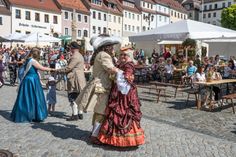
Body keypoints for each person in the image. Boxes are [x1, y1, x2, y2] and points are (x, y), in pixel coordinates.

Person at [98, 46, 145, 147]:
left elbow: (127, 76)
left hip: (126, 93)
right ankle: (111, 138)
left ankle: (126, 140)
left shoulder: (129, 65)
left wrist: (118, 72)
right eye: (121, 55)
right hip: (118, 92)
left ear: (130, 56)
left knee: (125, 112)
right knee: (114, 112)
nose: (123, 56)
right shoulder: (120, 63)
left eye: (125, 55)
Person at [89, 34, 121, 144]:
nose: (113, 48)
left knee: (98, 111)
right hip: (102, 86)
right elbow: (111, 69)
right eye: (111, 46)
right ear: (107, 47)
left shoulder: (101, 54)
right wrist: (123, 73)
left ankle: (94, 132)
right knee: (101, 112)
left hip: (100, 85)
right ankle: (95, 136)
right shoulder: (104, 55)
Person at [11, 47, 53, 123]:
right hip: (32, 80)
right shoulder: (33, 61)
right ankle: (34, 115)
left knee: (27, 98)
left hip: (27, 80)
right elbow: (42, 68)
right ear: (36, 54)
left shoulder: (27, 59)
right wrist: (53, 69)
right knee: (34, 97)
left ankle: (27, 114)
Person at [57, 42, 86, 121]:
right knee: (79, 96)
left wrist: (57, 70)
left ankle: (75, 115)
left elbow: (68, 68)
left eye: (70, 47)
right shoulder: (80, 55)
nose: (69, 49)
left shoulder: (75, 57)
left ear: (72, 48)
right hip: (80, 78)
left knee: (72, 96)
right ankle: (80, 113)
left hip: (74, 79)